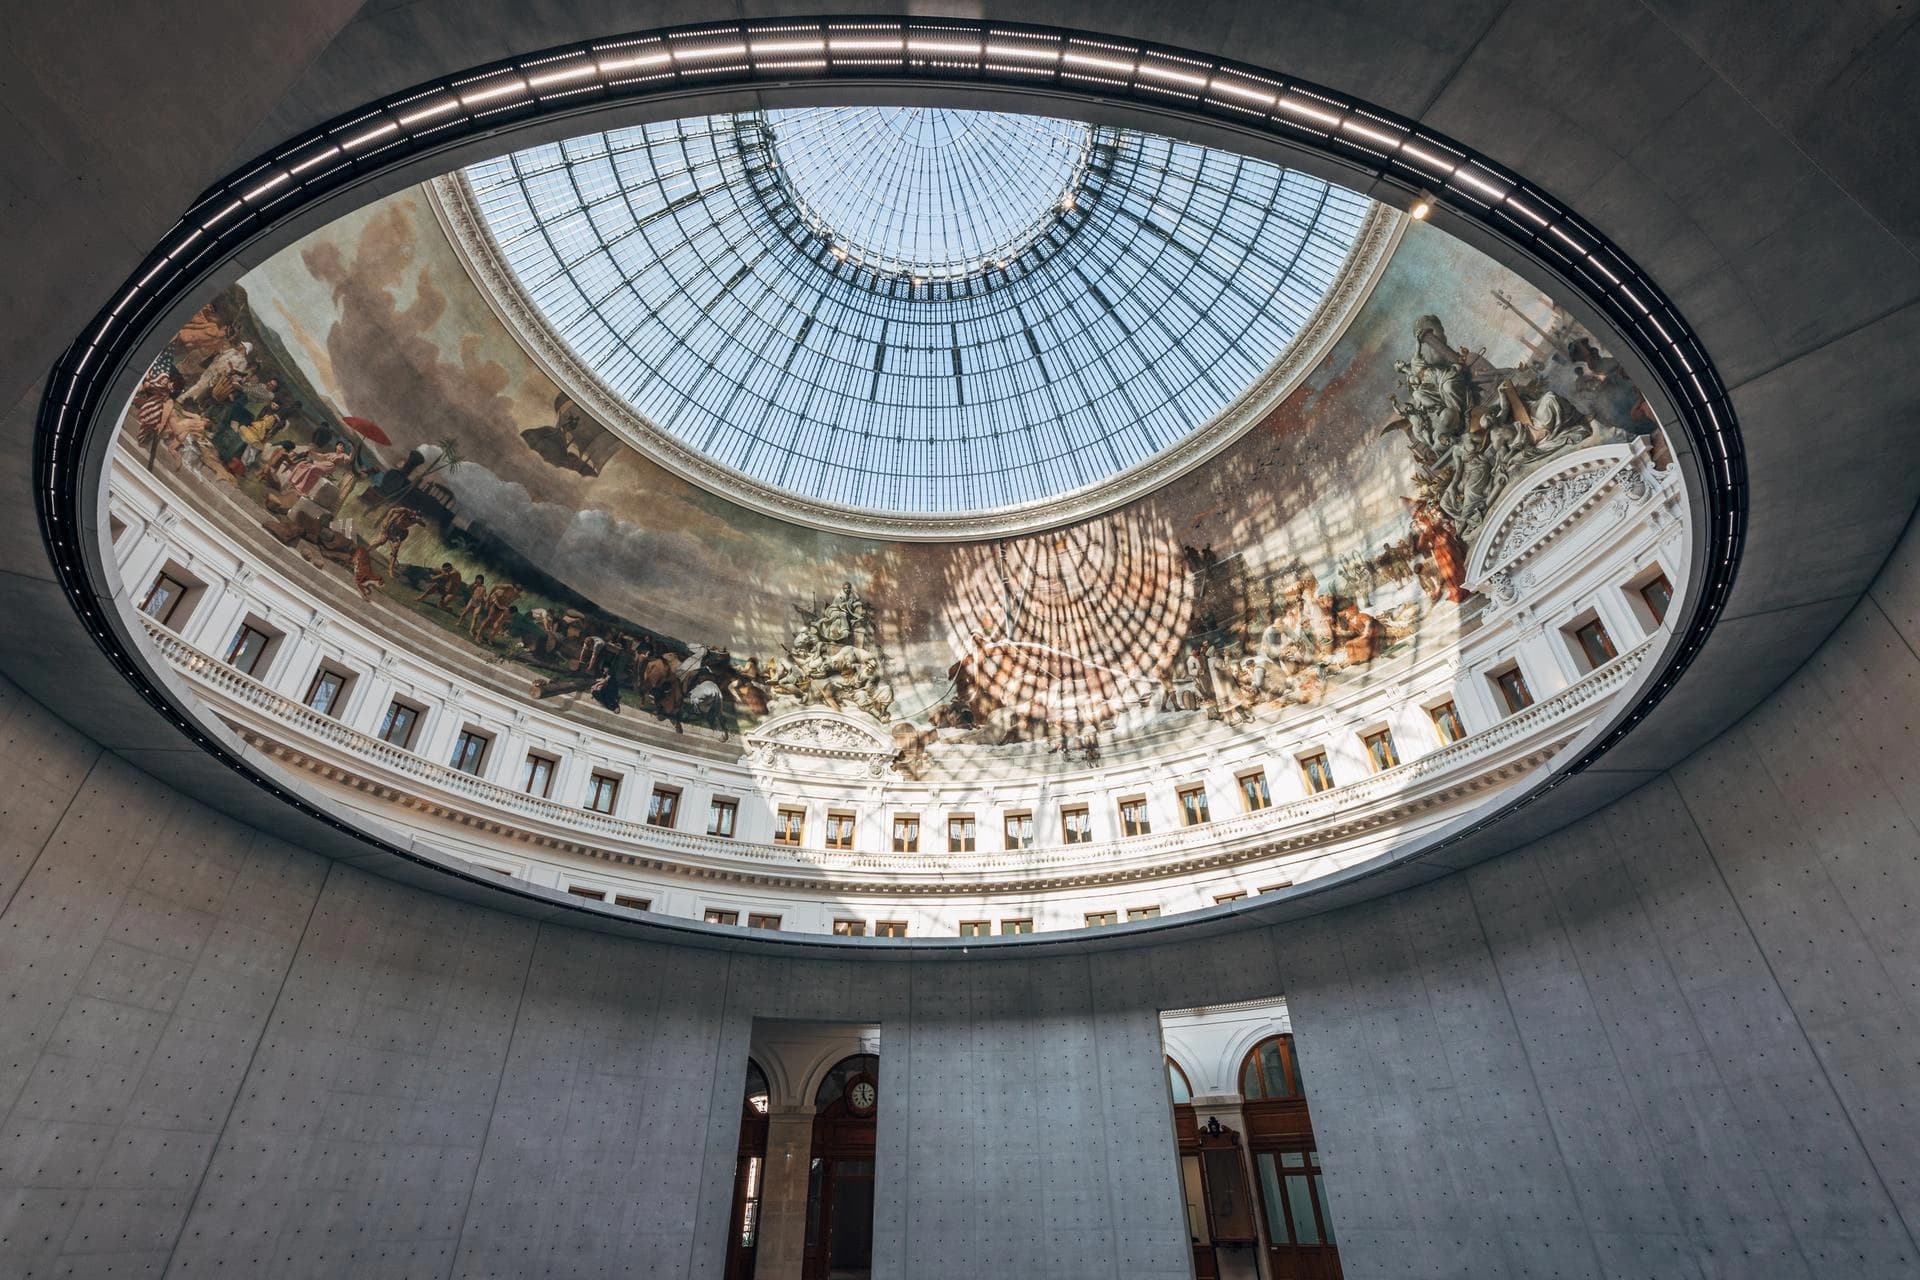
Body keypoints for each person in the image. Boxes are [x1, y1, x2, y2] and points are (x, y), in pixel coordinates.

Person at [366, 505, 428, 577]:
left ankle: (390, 569)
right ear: (413, 511)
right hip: (392, 527)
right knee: (381, 541)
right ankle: (366, 551)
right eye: (414, 514)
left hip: (399, 533)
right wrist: (387, 519)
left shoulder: (415, 519)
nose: (413, 516)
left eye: (416, 515)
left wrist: (418, 520)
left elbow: (423, 525)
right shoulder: (405, 511)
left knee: (395, 550)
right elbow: (392, 510)